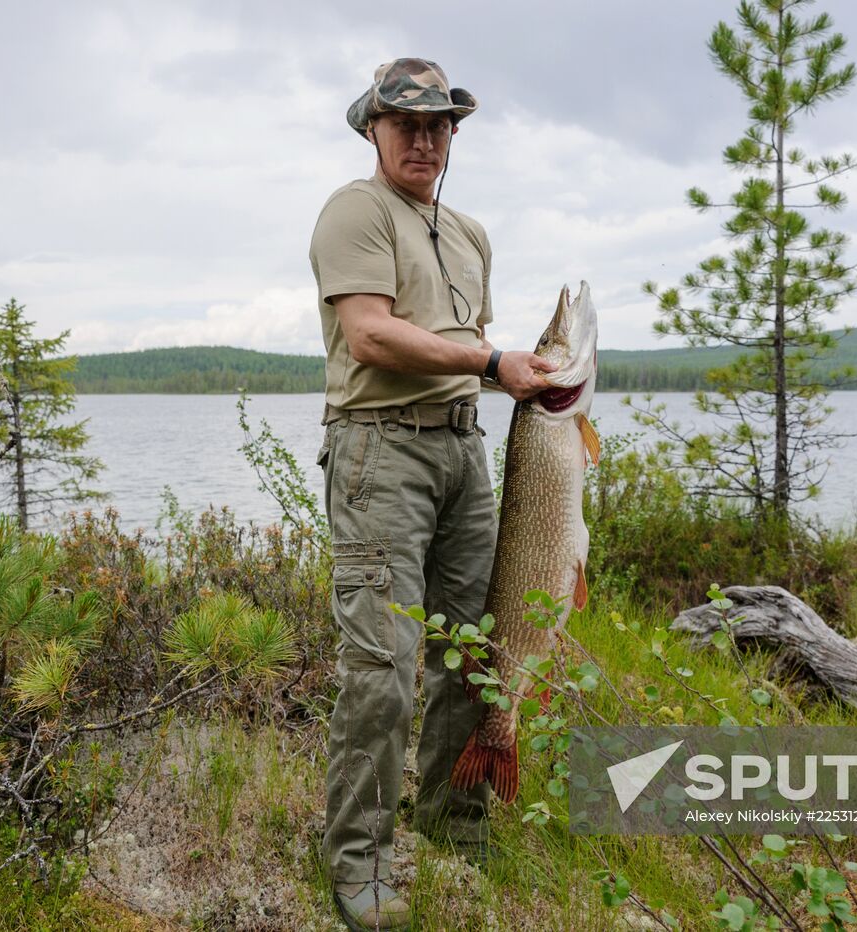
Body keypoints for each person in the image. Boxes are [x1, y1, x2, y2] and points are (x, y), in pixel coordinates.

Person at [308, 57, 555, 932]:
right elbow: (372, 337)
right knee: (381, 671)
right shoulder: (355, 211)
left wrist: (524, 380)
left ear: (454, 135)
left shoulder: (471, 233)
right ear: (372, 128)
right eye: (405, 122)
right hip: (381, 456)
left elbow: (457, 348)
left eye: (438, 124)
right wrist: (494, 362)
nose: (423, 138)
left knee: (472, 652)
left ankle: (454, 827)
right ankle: (359, 862)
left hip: (463, 454)